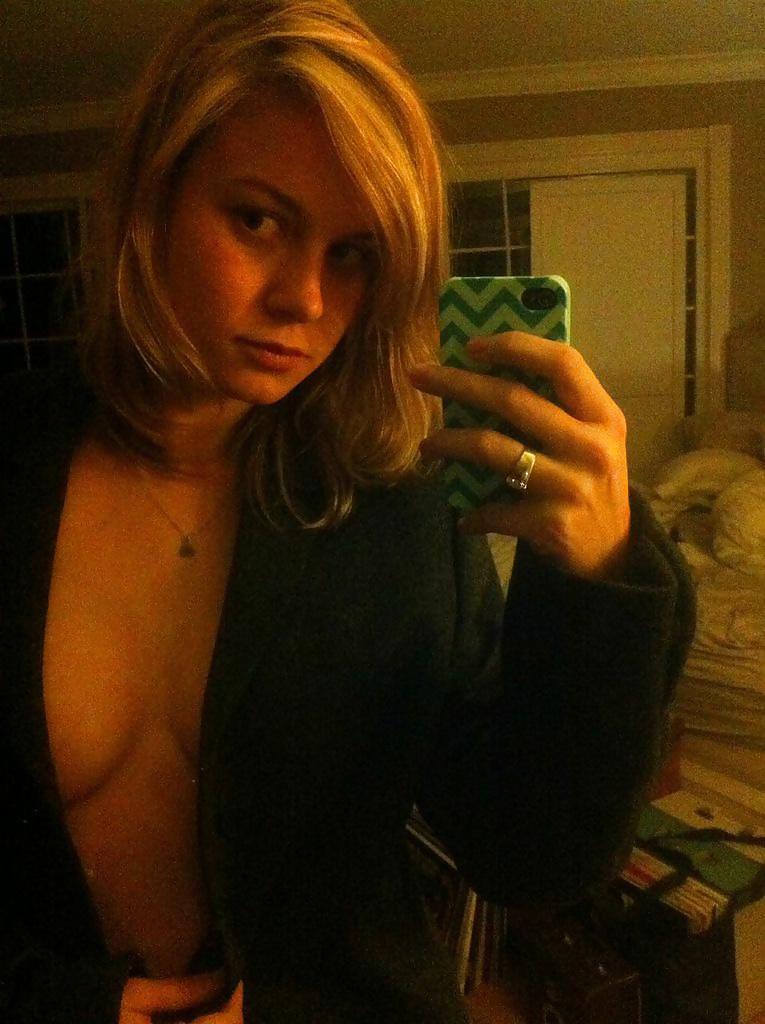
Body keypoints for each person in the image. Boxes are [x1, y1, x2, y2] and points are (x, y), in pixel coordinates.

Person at [0, 1, 695, 1022]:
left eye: (353, 253)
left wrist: (596, 579)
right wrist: (52, 1003)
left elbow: (528, 853)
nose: (306, 300)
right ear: (153, 193)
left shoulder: (392, 506)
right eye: (258, 220)